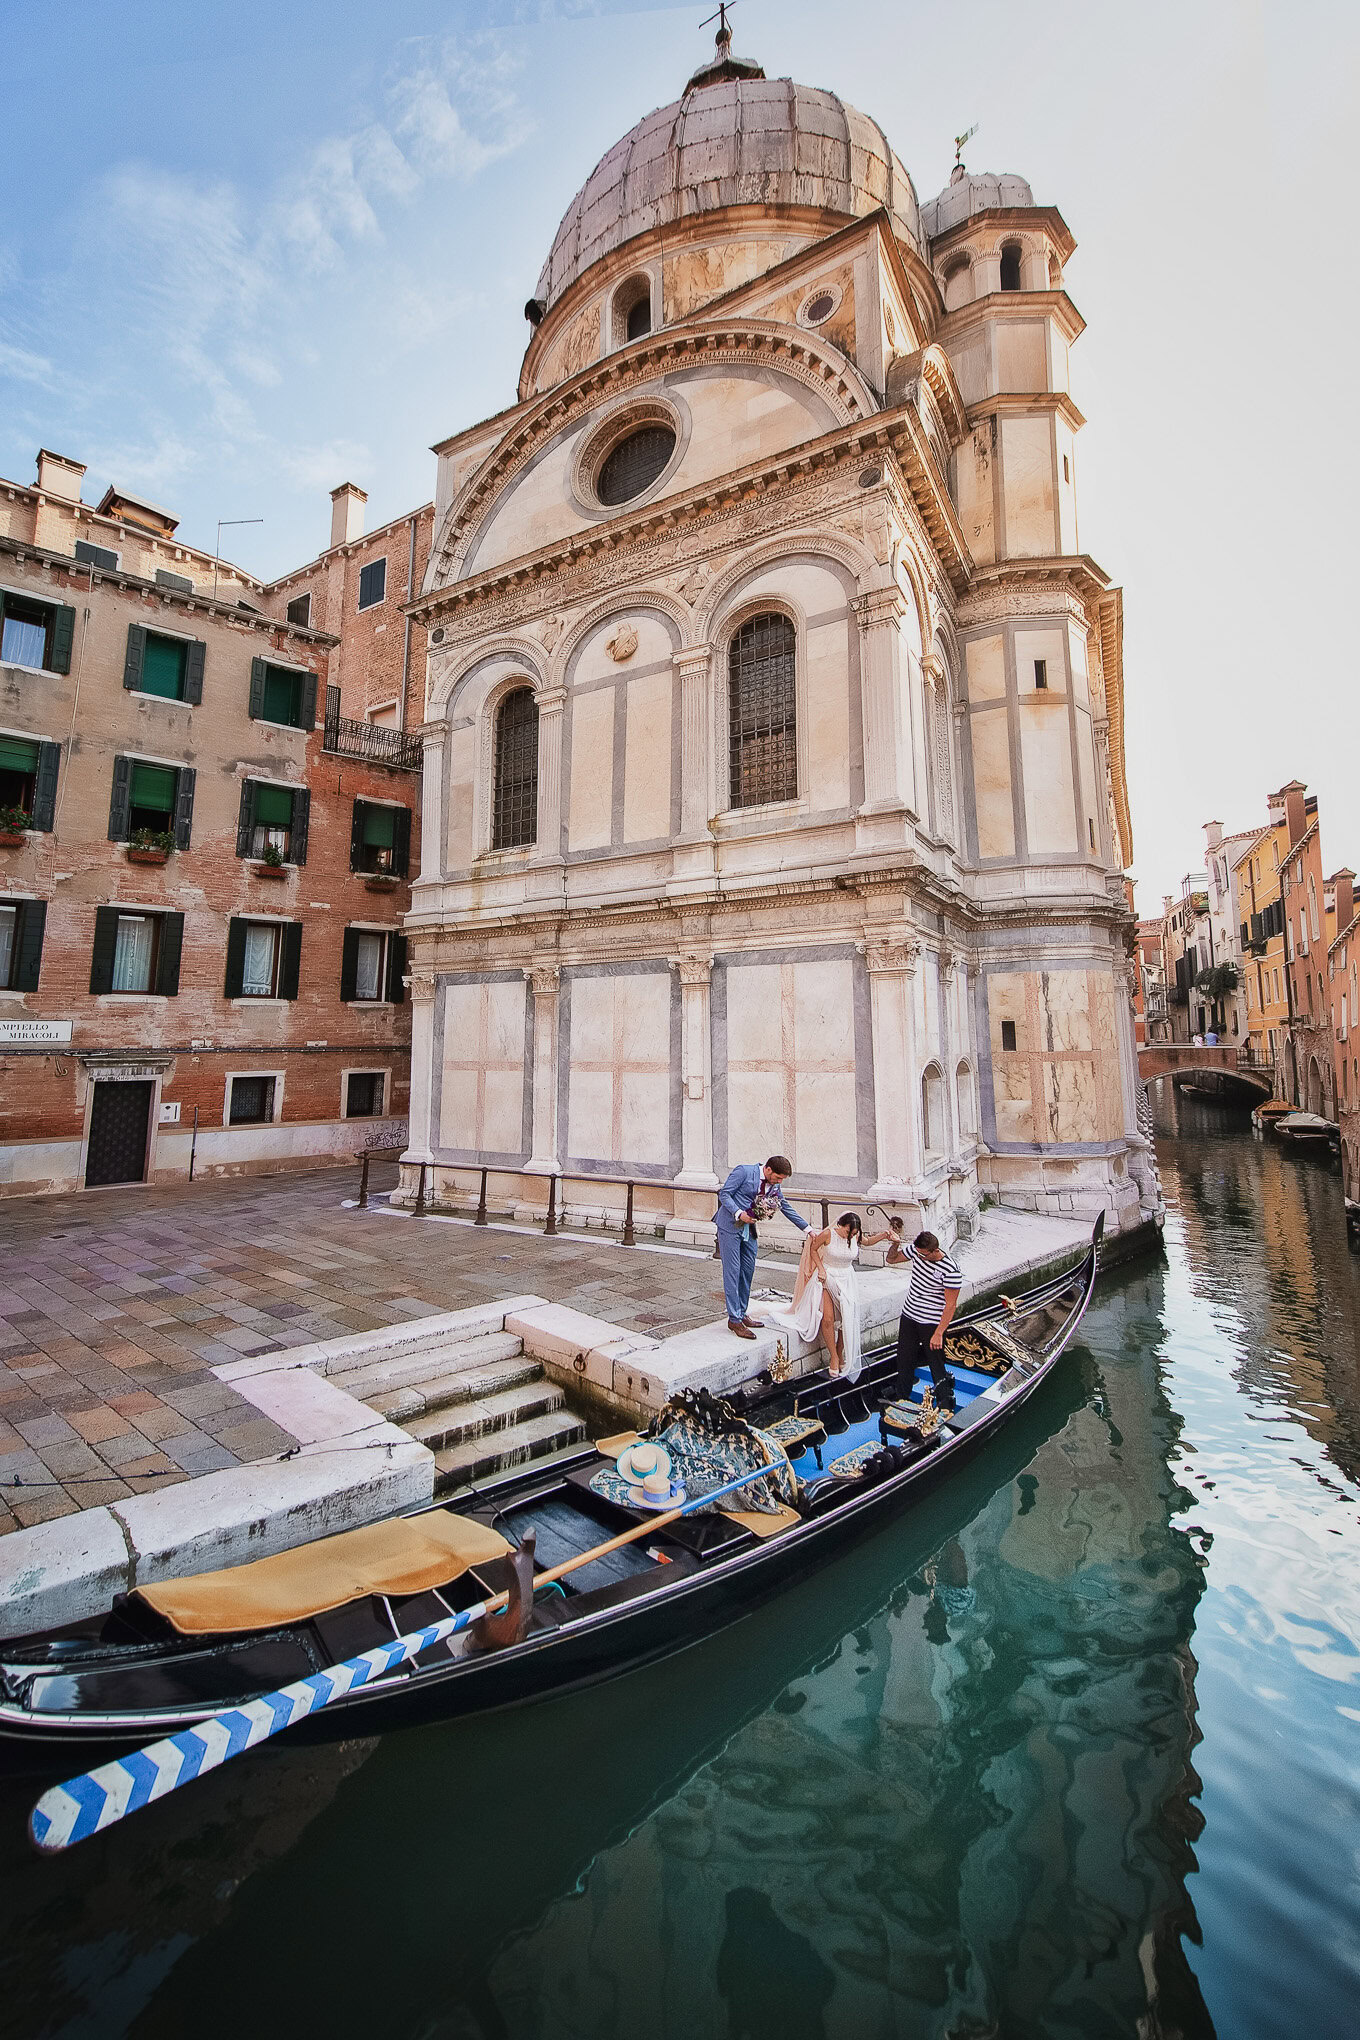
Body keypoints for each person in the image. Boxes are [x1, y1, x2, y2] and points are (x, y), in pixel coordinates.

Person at [765, 1212, 892, 1378]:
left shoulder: (856, 1235)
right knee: (828, 1318)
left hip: (847, 1279)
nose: (851, 1236)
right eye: (848, 1232)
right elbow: (813, 1249)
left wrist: (885, 1235)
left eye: (853, 1233)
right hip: (828, 1276)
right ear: (840, 1225)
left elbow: (867, 1242)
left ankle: (840, 1352)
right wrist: (821, 1269)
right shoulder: (828, 1234)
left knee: (847, 1318)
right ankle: (833, 1355)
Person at [714, 1154, 809, 1338]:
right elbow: (724, 1194)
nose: (779, 1182)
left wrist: (808, 1229)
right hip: (729, 1226)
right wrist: (739, 1213)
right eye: (778, 1178)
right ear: (768, 1169)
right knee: (732, 1272)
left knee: (747, 1271)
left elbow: (785, 1206)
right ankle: (734, 1320)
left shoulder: (774, 1184)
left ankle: (742, 1313)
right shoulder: (744, 1171)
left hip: (749, 1230)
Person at [893, 1228, 964, 1411]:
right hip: (909, 1316)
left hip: (931, 1323)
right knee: (904, 1358)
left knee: (936, 1364)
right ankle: (902, 1399)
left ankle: (945, 1405)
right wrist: (895, 1244)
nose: (920, 1257)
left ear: (934, 1250)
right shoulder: (917, 1252)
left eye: (924, 1255)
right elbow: (892, 1259)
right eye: (918, 1253)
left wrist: (939, 1333)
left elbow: (950, 1305)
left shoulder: (950, 1270)